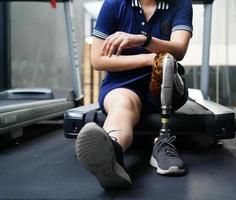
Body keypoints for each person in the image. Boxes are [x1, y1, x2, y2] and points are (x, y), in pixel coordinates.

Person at [75, 0, 193, 190]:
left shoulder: (181, 3)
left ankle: (128, 150)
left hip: (165, 84)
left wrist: (143, 40)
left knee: (167, 64)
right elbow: (97, 59)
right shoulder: (114, 4)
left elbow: (179, 50)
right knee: (123, 104)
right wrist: (150, 58)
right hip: (122, 84)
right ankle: (113, 154)